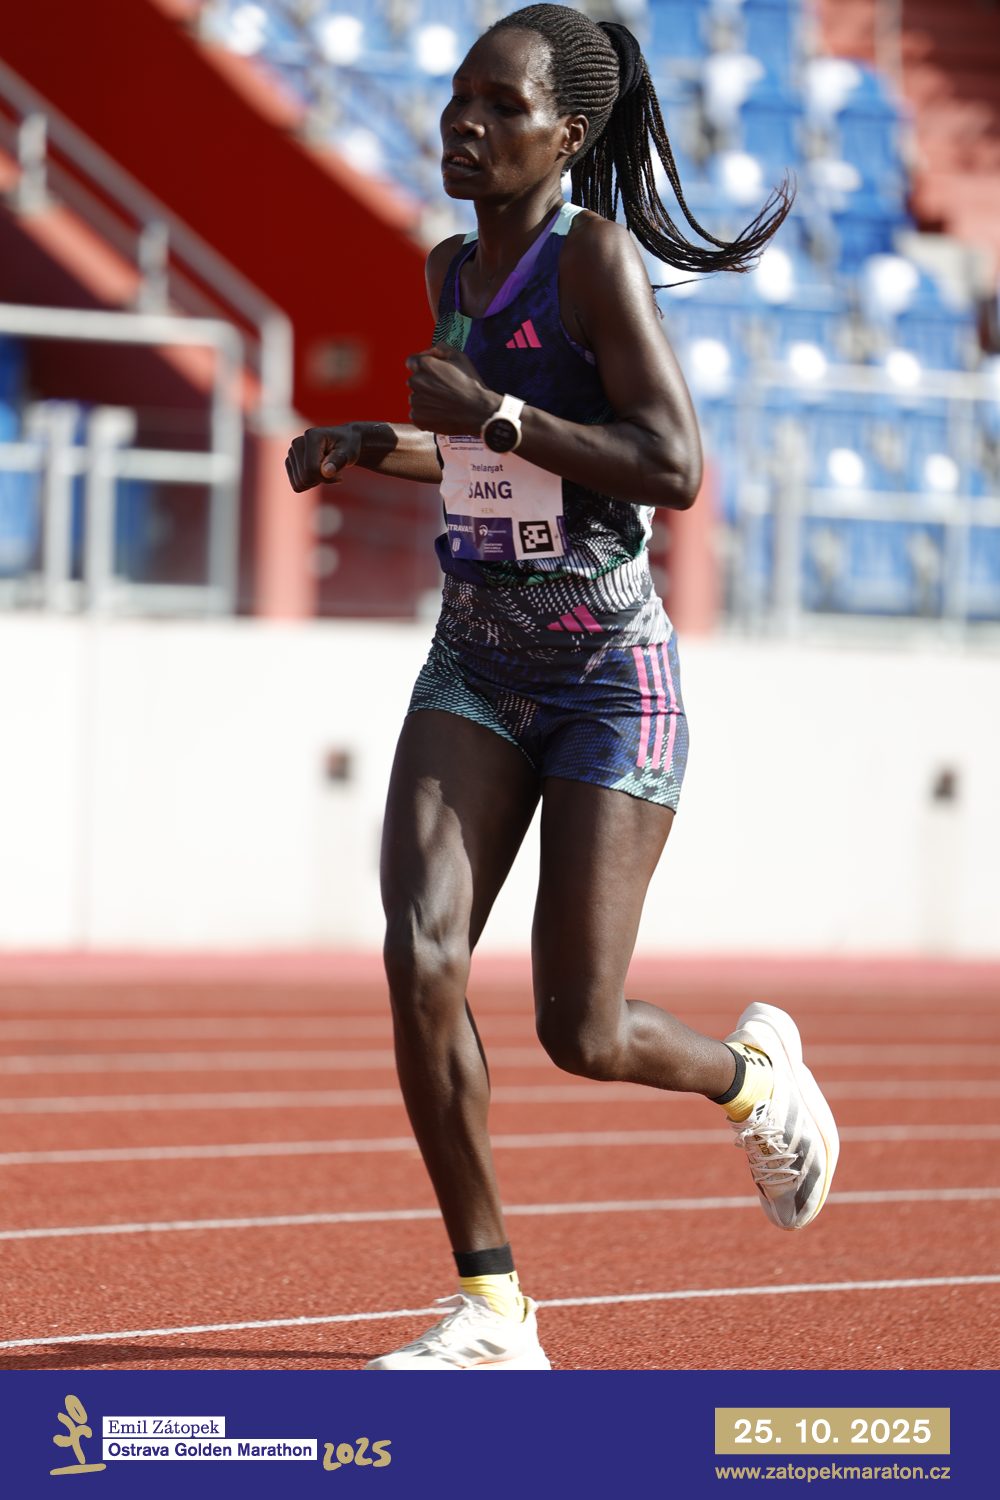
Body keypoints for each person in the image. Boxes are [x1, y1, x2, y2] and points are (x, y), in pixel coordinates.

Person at [286, 2, 839, 1371]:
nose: (464, 123)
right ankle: (494, 1310)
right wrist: (374, 440)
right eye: (456, 97)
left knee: (580, 1031)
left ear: (568, 134)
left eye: (501, 105)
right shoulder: (451, 269)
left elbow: (670, 464)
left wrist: (497, 414)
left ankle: (754, 1081)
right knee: (422, 955)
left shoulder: (593, 260)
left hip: (605, 677)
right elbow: (487, 459)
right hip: (476, 658)